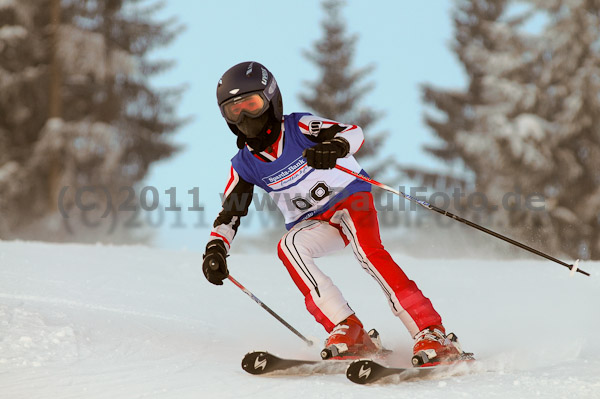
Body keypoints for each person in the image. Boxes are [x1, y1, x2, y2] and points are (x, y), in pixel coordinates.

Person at [202, 61, 468, 365]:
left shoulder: (300, 127)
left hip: (351, 201)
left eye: (251, 104)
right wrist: (216, 248)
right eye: (234, 110)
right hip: (315, 223)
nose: (245, 115)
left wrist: (336, 147)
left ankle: (431, 331)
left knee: (368, 252)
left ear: (271, 100)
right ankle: (348, 329)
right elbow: (230, 212)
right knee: (289, 247)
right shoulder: (244, 164)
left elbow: (353, 132)